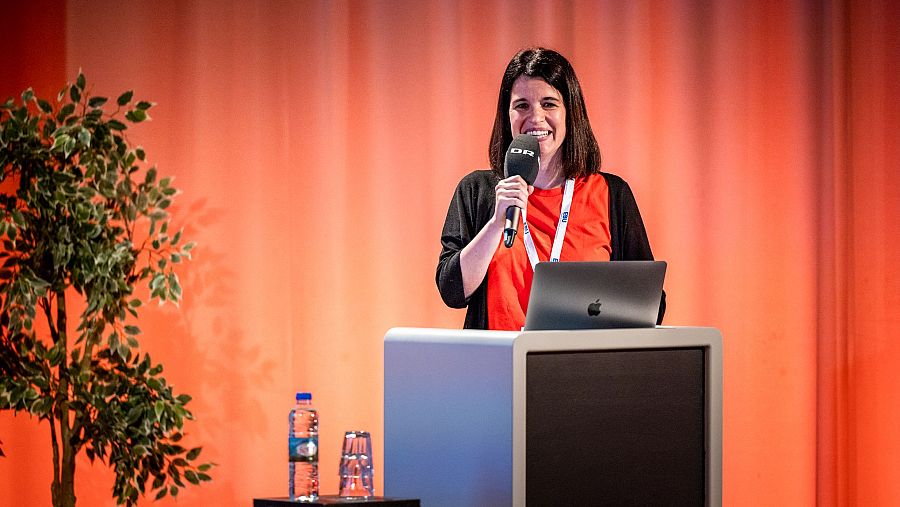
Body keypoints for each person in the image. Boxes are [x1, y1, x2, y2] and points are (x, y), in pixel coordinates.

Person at [436, 47, 666, 330]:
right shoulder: (477, 190)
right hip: (499, 366)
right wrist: (497, 223)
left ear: (571, 113)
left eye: (549, 104)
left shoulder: (611, 193)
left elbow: (652, 306)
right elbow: (452, 292)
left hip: (581, 366)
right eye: (522, 105)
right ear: (507, 115)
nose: (536, 118)